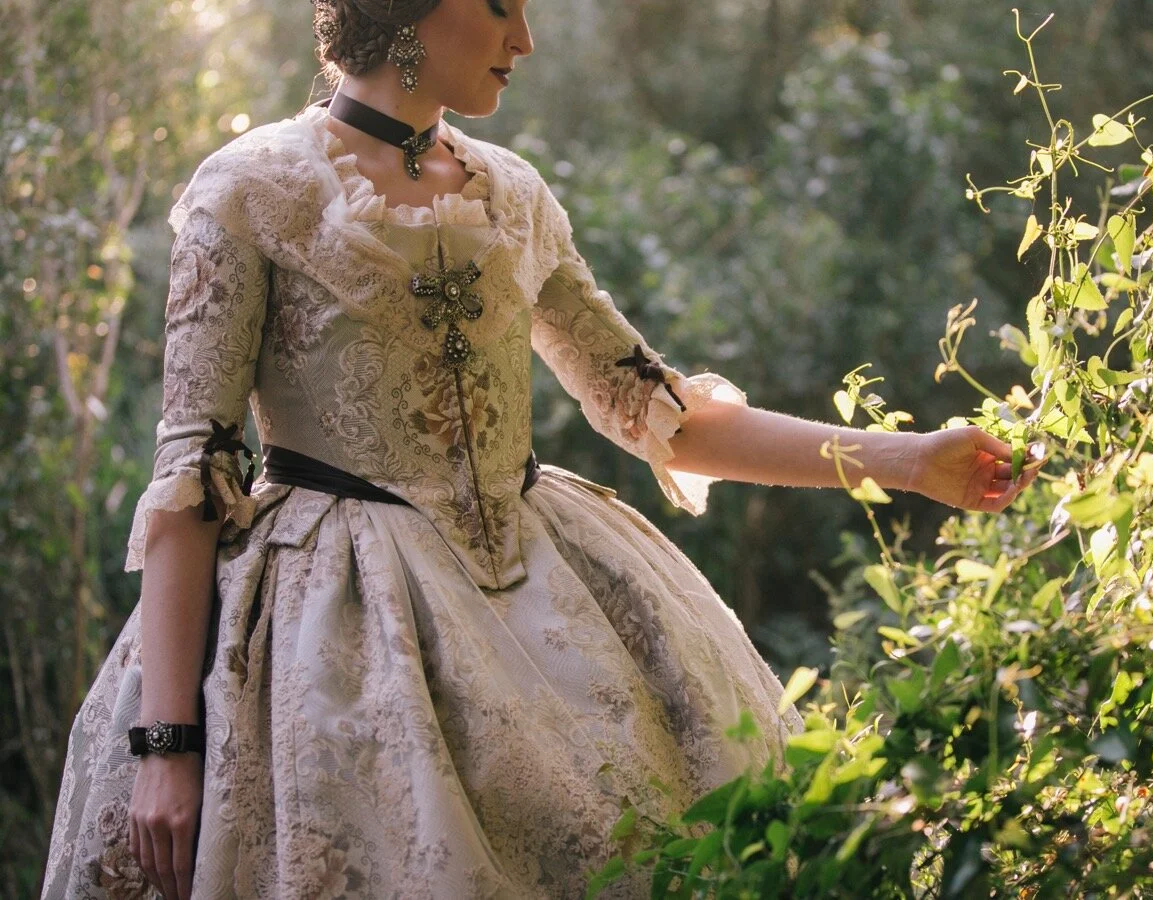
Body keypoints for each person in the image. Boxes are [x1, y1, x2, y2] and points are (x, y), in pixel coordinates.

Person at [40, 0, 1041, 896]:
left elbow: (662, 412)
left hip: (544, 598)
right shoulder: (251, 189)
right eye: (500, 4)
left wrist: (909, 461)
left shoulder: (512, 194)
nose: (525, 38)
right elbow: (194, 474)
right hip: (330, 634)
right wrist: (168, 744)